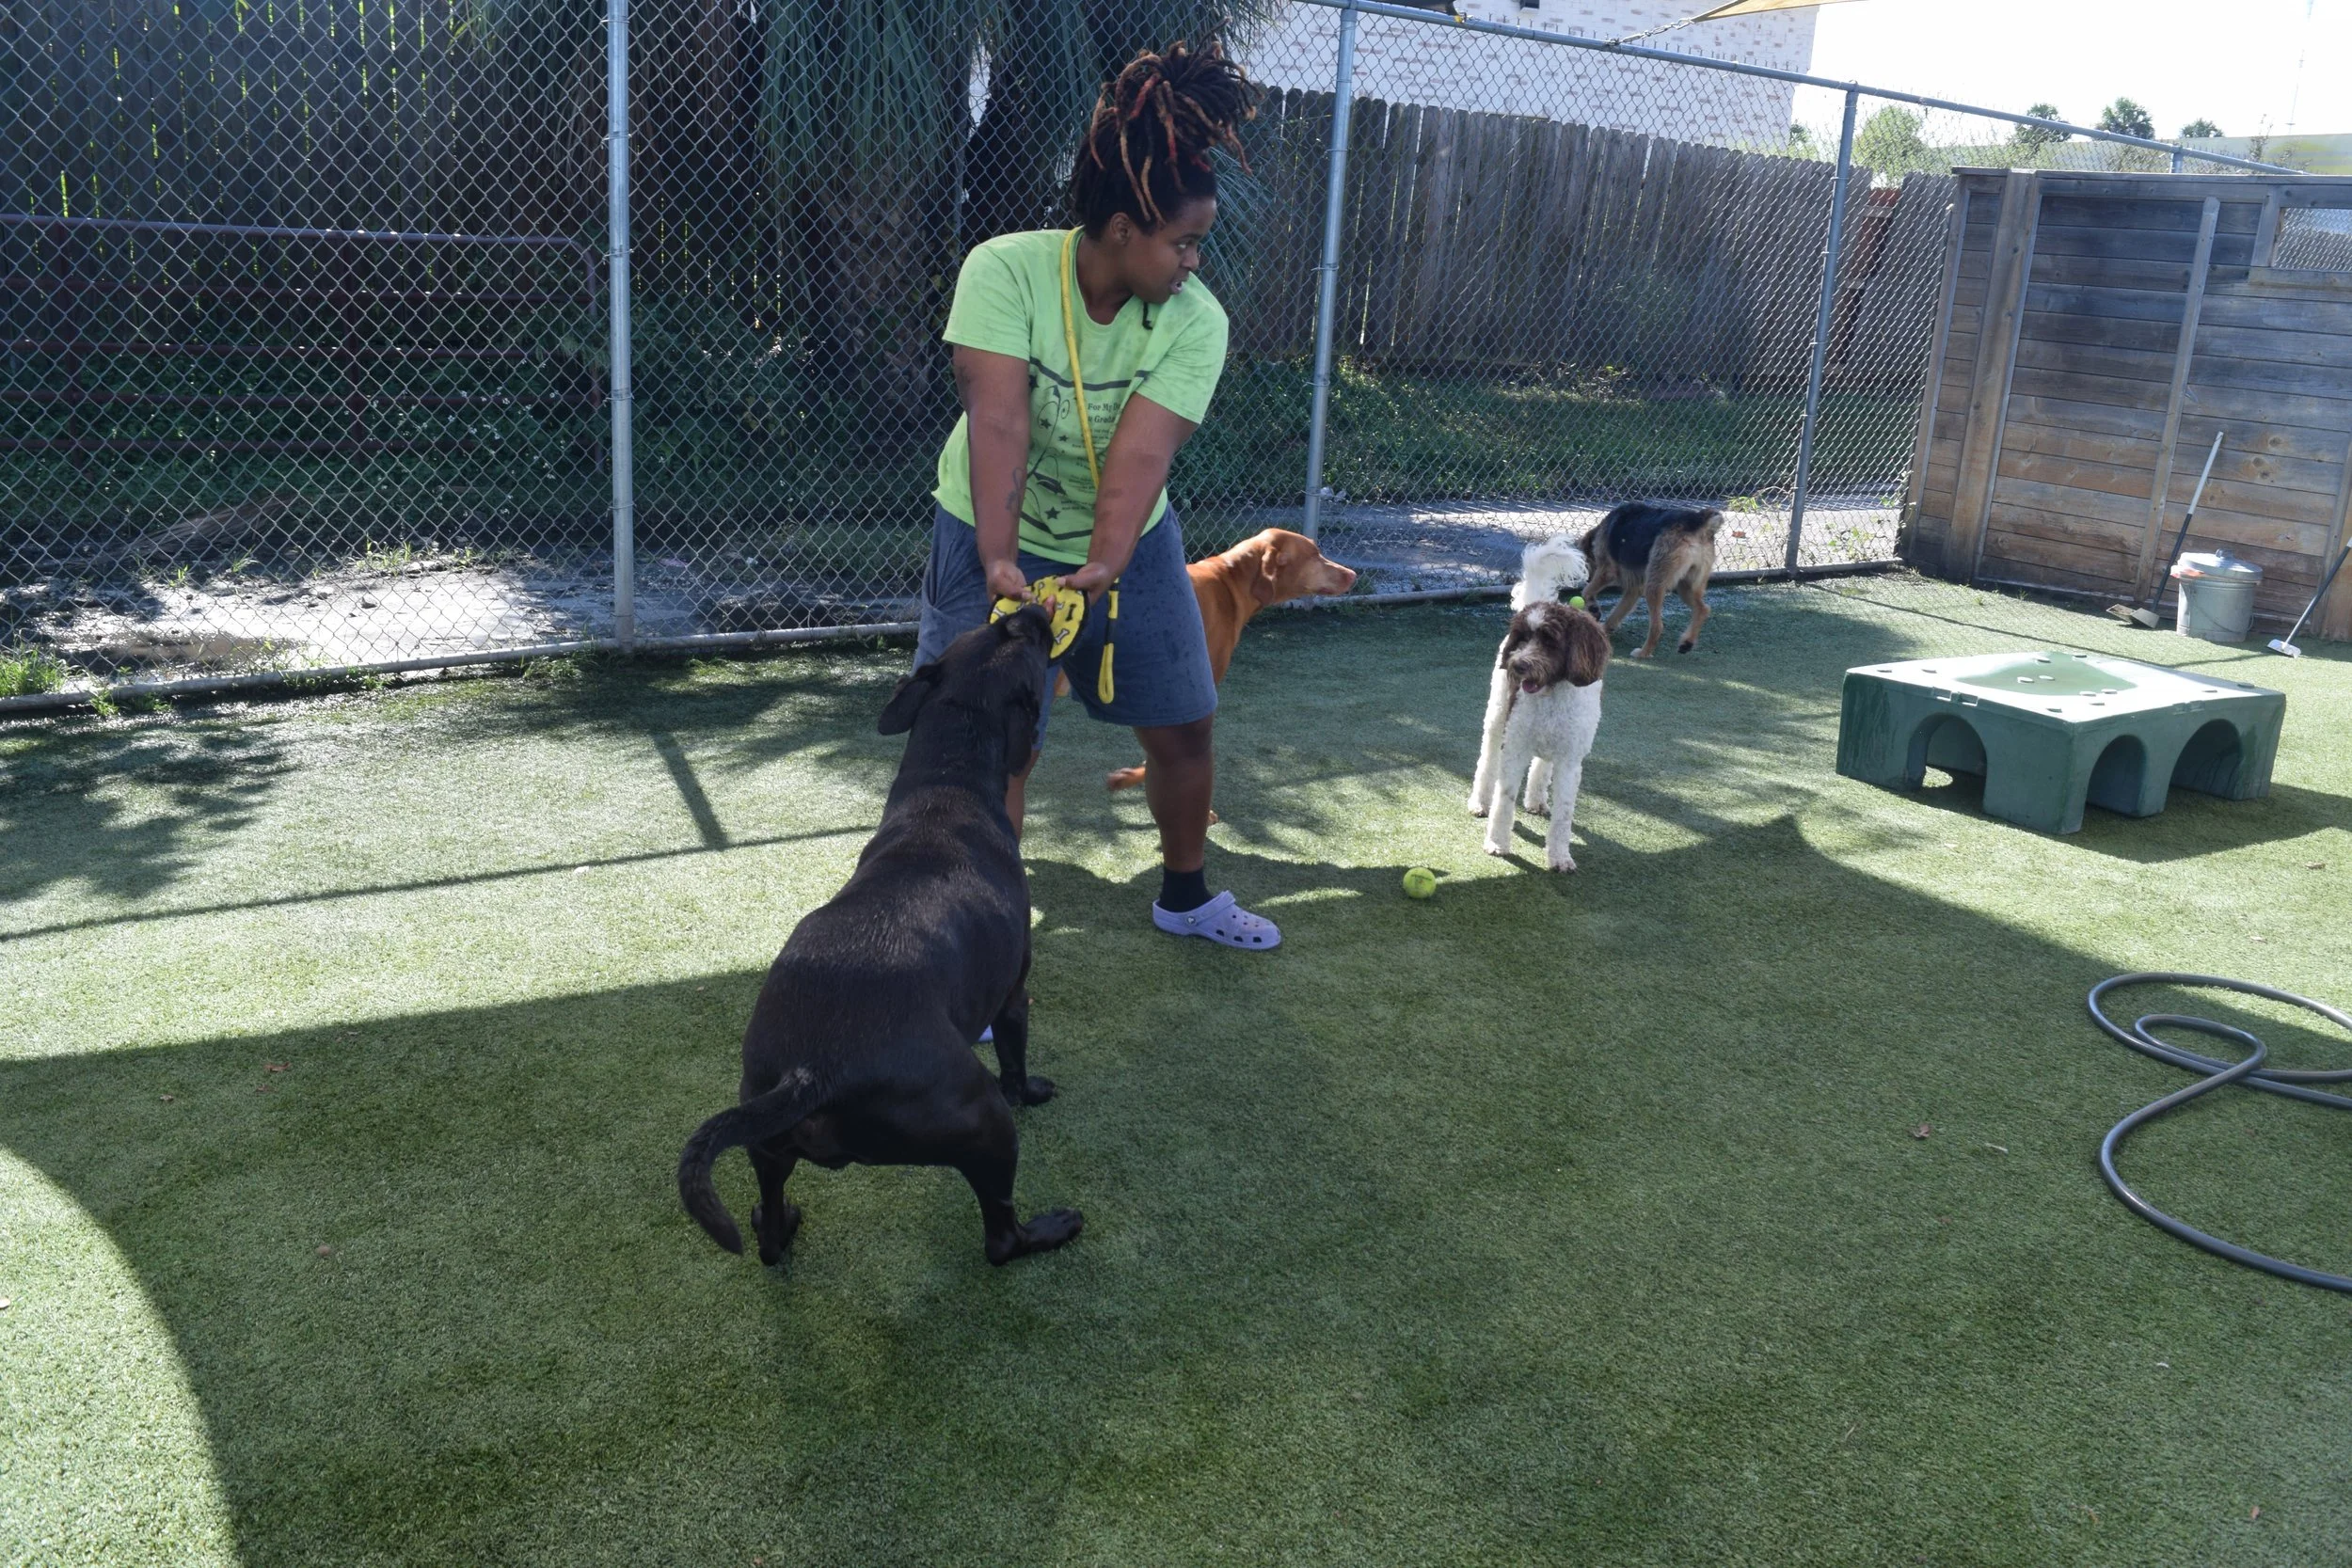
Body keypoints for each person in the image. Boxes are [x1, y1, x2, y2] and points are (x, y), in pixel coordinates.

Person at [915, 40, 1279, 952]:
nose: (1196, 260)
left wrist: (1106, 567)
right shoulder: (1005, 269)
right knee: (993, 738)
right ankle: (979, 932)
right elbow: (998, 425)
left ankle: (1186, 896)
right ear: (1122, 227)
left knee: (1185, 721)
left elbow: (1140, 456)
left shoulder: (1195, 322)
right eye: (1183, 240)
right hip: (983, 523)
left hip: (1127, 539)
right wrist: (1000, 558)